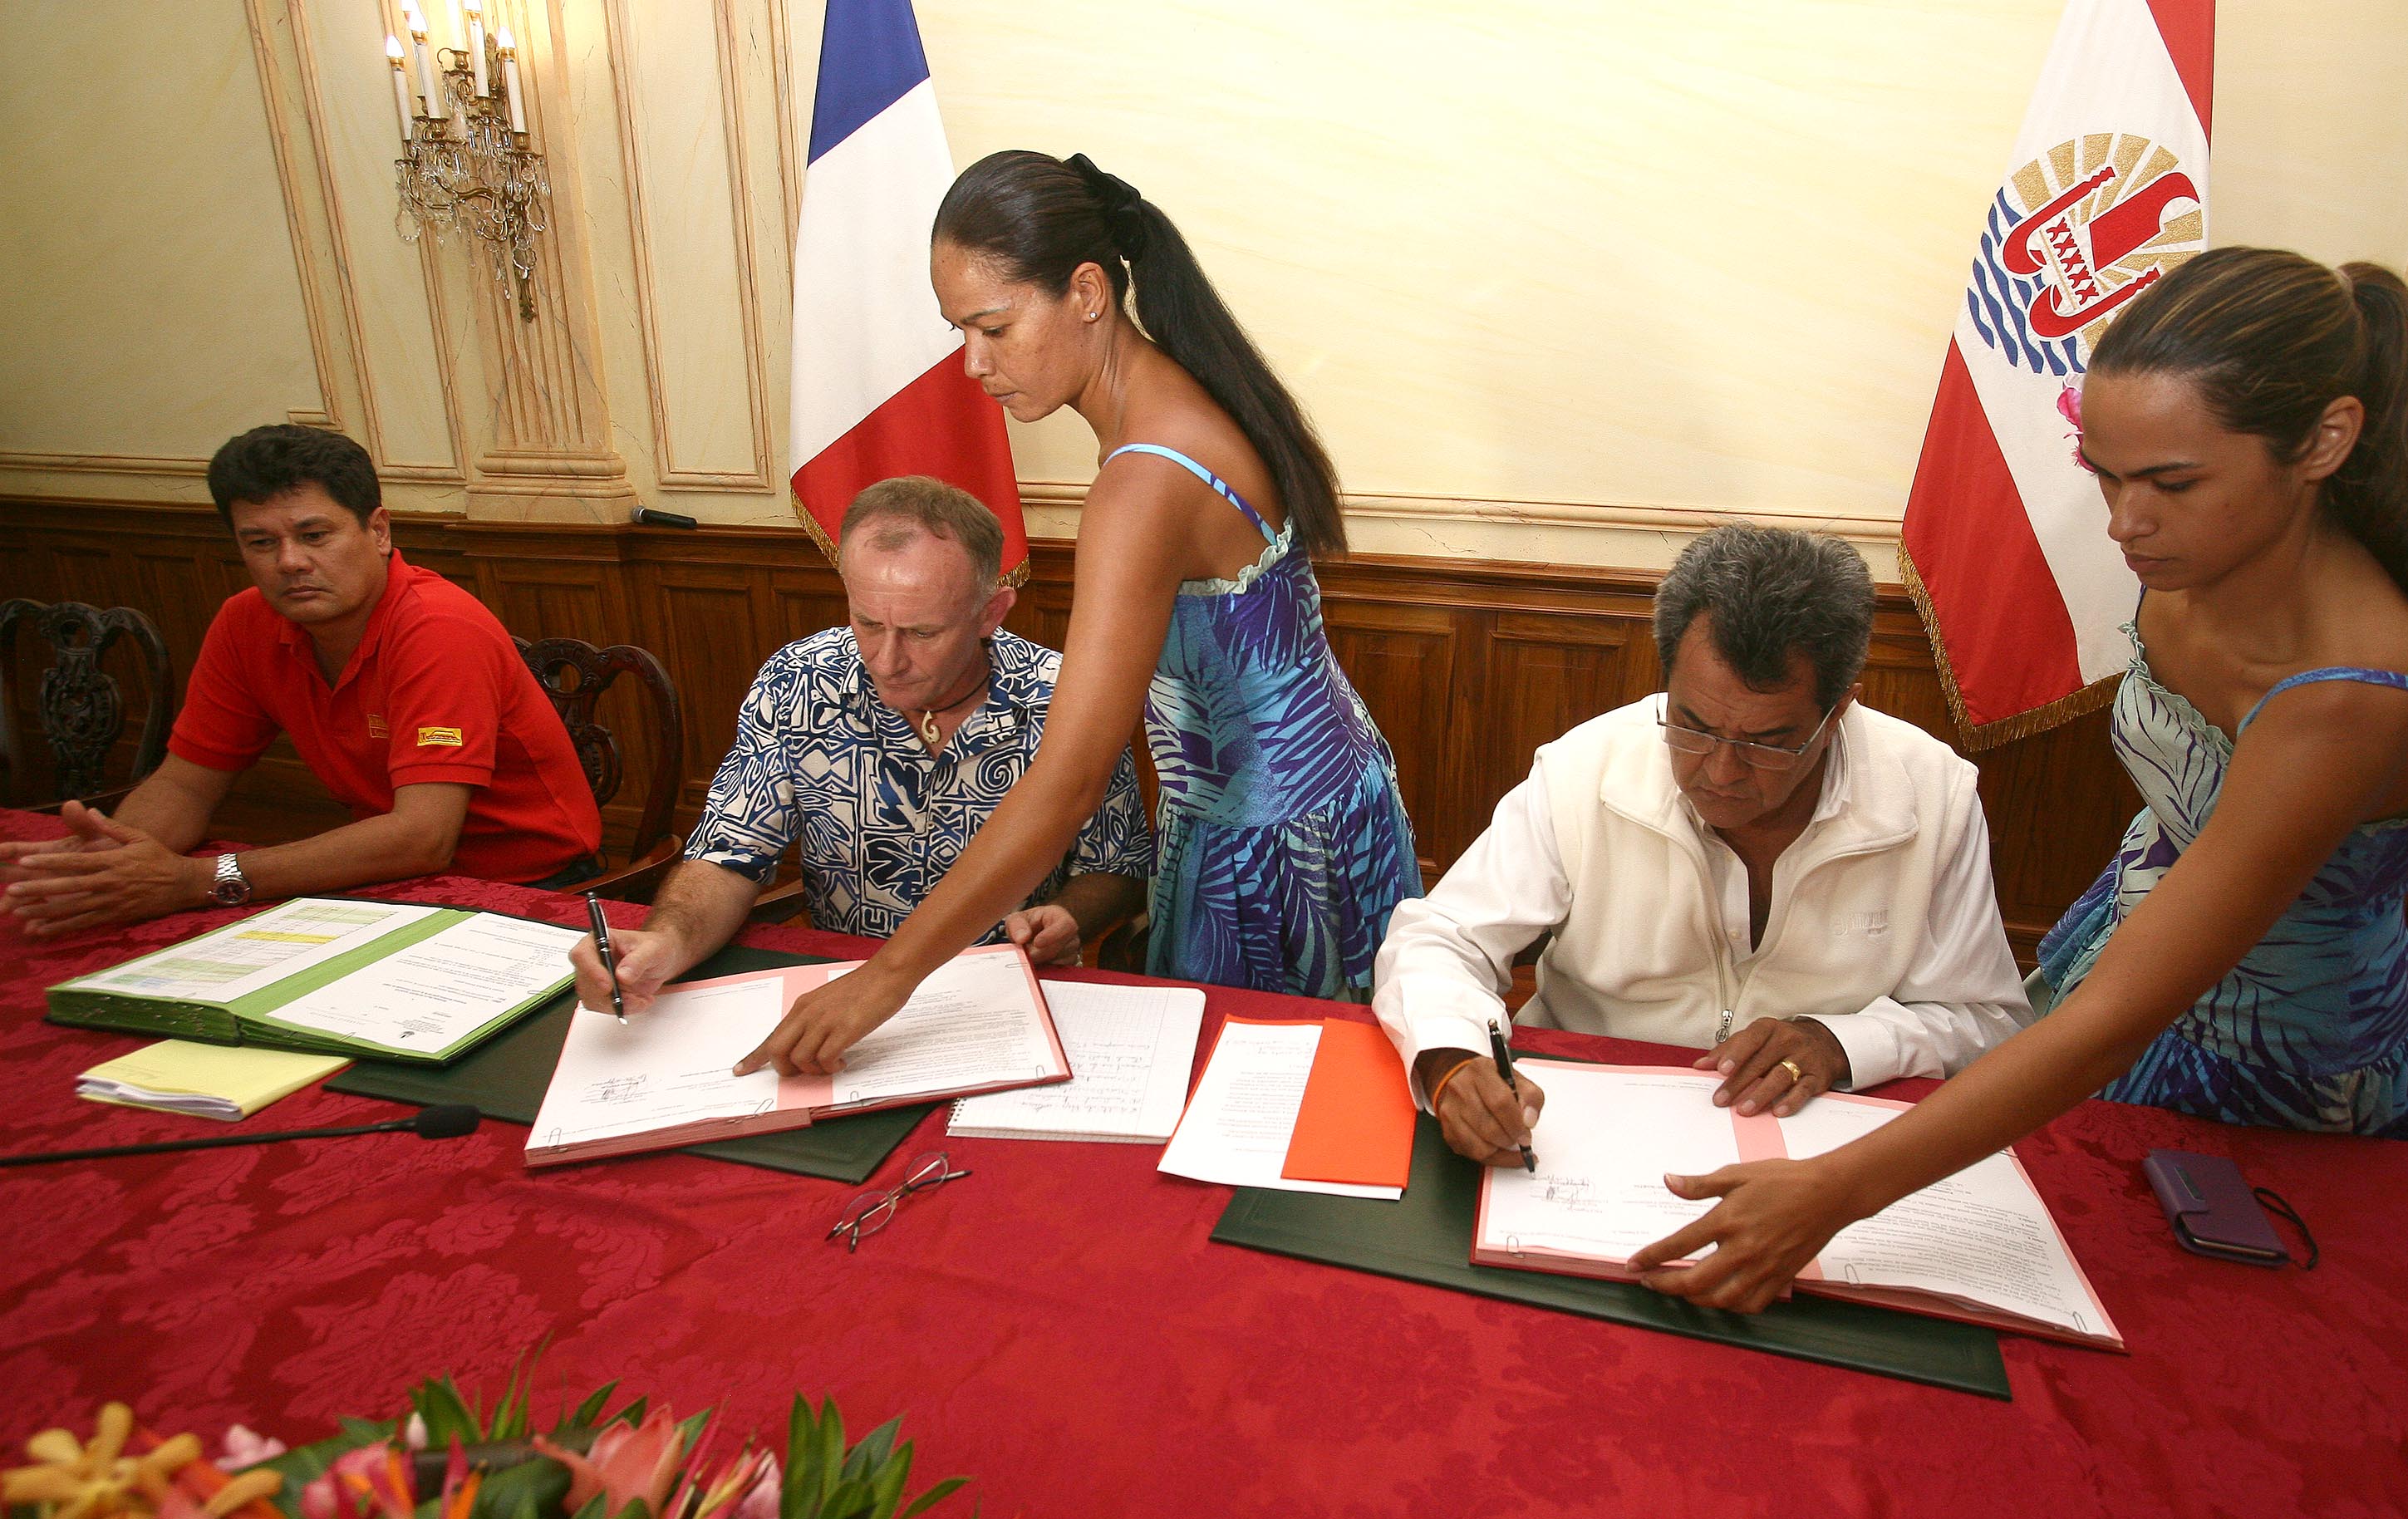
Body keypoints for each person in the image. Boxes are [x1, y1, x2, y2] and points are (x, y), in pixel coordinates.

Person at [1629, 247, 2408, 1314]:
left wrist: (1836, 1192)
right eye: (2107, 476)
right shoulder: (2192, 568)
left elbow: (2127, 1012)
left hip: (2270, 1060)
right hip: (2114, 965)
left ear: (2324, 441)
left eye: (2172, 483)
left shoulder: (2354, 699)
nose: (2126, 524)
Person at [730, 149, 1421, 1078]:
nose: (973, 364)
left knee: (1273, 1105)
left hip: (1270, 847)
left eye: (994, 327)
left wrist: (885, 979)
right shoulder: (1185, 396)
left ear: (1088, 292)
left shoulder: (1145, 479)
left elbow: (1070, 782)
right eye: (960, 331)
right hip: (1331, 797)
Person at [1374, 524, 2028, 1165]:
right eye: (1692, 725)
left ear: (1837, 714)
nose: (1719, 771)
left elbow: (1991, 1023)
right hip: (1581, 1130)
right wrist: (1453, 1056)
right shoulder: (1586, 769)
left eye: (1767, 742)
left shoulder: (1930, 795)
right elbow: (1439, 939)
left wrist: (1844, 1042)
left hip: (1821, 1153)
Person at [569, 477, 1152, 1010]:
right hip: (842, 990)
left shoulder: (1066, 699)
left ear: (990, 612)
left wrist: (1067, 916)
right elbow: (729, 855)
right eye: (868, 623)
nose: (887, 660)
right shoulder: (800, 681)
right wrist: (666, 943)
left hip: (1006, 994)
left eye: (922, 632)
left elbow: (1118, 870)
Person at [0, 425, 605, 936]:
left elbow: (423, 836)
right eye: (261, 542)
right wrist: (113, 861)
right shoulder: (246, 622)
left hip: (532, 892)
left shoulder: (438, 626)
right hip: (391, 884)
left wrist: (195, 880)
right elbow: (185, 784)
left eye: (314, 536)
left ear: (378, 531)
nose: (289, 562)